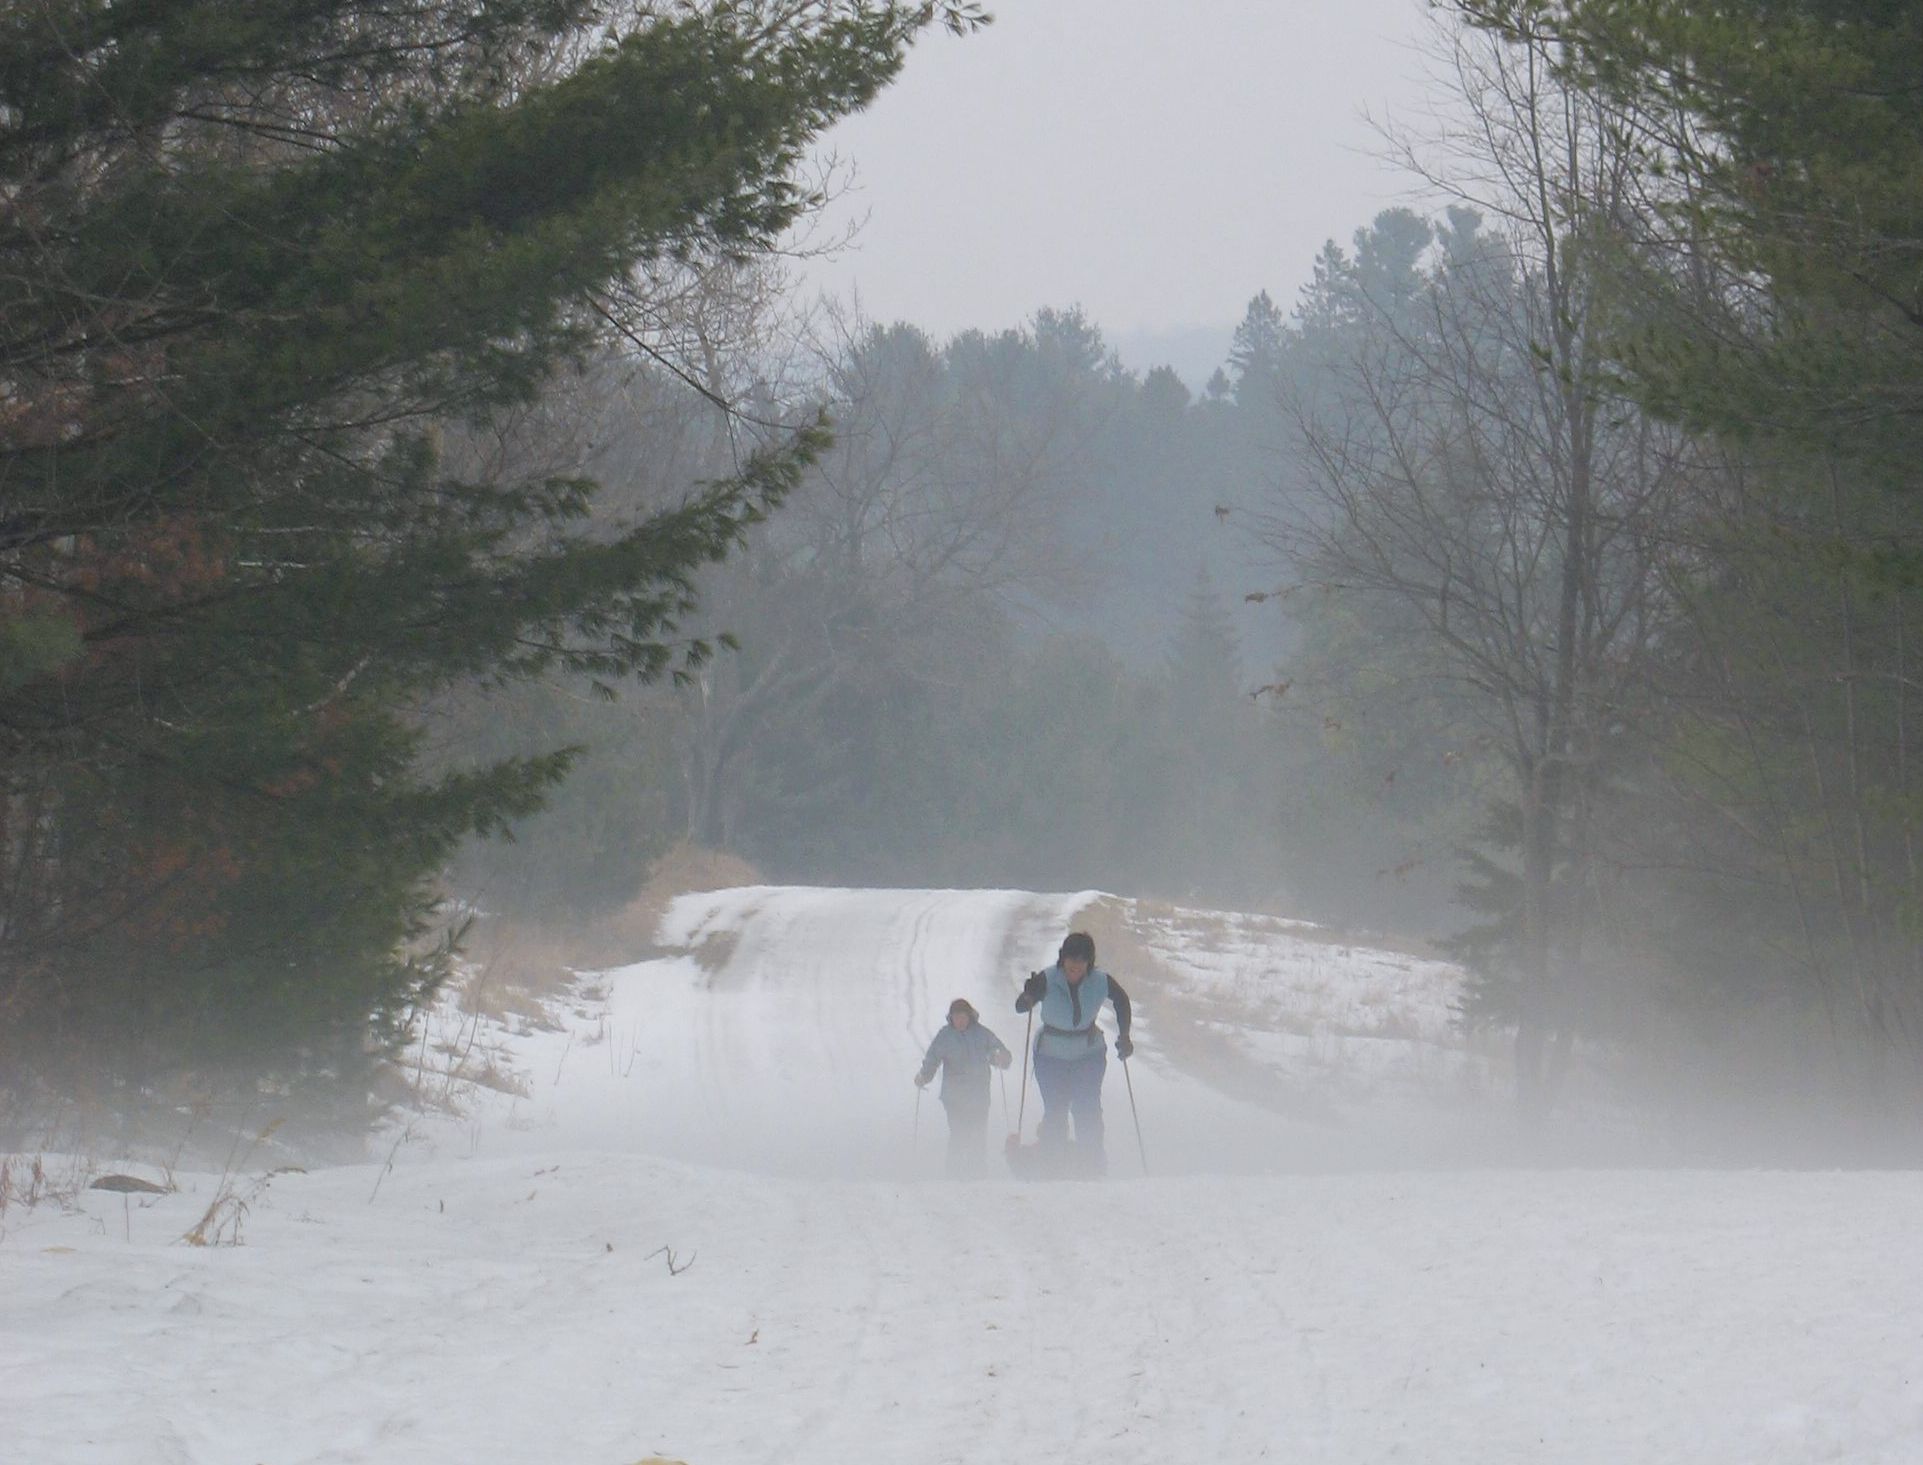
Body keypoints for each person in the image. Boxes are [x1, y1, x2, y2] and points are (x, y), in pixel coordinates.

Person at [1014, 931, 1133, 1176]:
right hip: (1050, 1056)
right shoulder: (1047, 978)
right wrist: (1027, 997)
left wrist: (1124, 1035)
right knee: (1056, 1110)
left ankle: (1092, 1166)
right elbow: (1021, 1005)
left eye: (1081, 960)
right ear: (1063, 959)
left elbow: (1122, 1001)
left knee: (1087, 1108)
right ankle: (1052, 1166)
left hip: (1088, 1054)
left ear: (1089, 962)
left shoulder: (1100, 980)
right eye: (1071, 959)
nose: (1075, 965)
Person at [915, 998, 1012, 1178]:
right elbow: (932, 1059)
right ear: (950, 1018)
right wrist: (924, 1076)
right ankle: (954, 1173)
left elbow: (998, 1052)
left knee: (978, 1134)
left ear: (970, 1017)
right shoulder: (944, 1036)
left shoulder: (983, 1034)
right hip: (954, 1097)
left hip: (979, 1095)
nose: (959, 1021)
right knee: (959, 1133)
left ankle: (977, 1173)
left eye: (962, 1017)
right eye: (955, 1017)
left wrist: (1001, 1058)